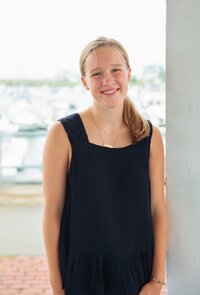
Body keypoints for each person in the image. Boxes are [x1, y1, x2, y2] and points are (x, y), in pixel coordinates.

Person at [42, 36, 168, 295]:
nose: (108, 80)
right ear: (85, 82)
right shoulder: (63, 134)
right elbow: (52, 213)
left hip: (138, 273)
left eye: (115, 70)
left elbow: (158, 209)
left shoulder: (150, 136)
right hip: (81, 273)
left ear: (129, 74)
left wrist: (156, 280)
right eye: (97, 73)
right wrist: (57, 285)